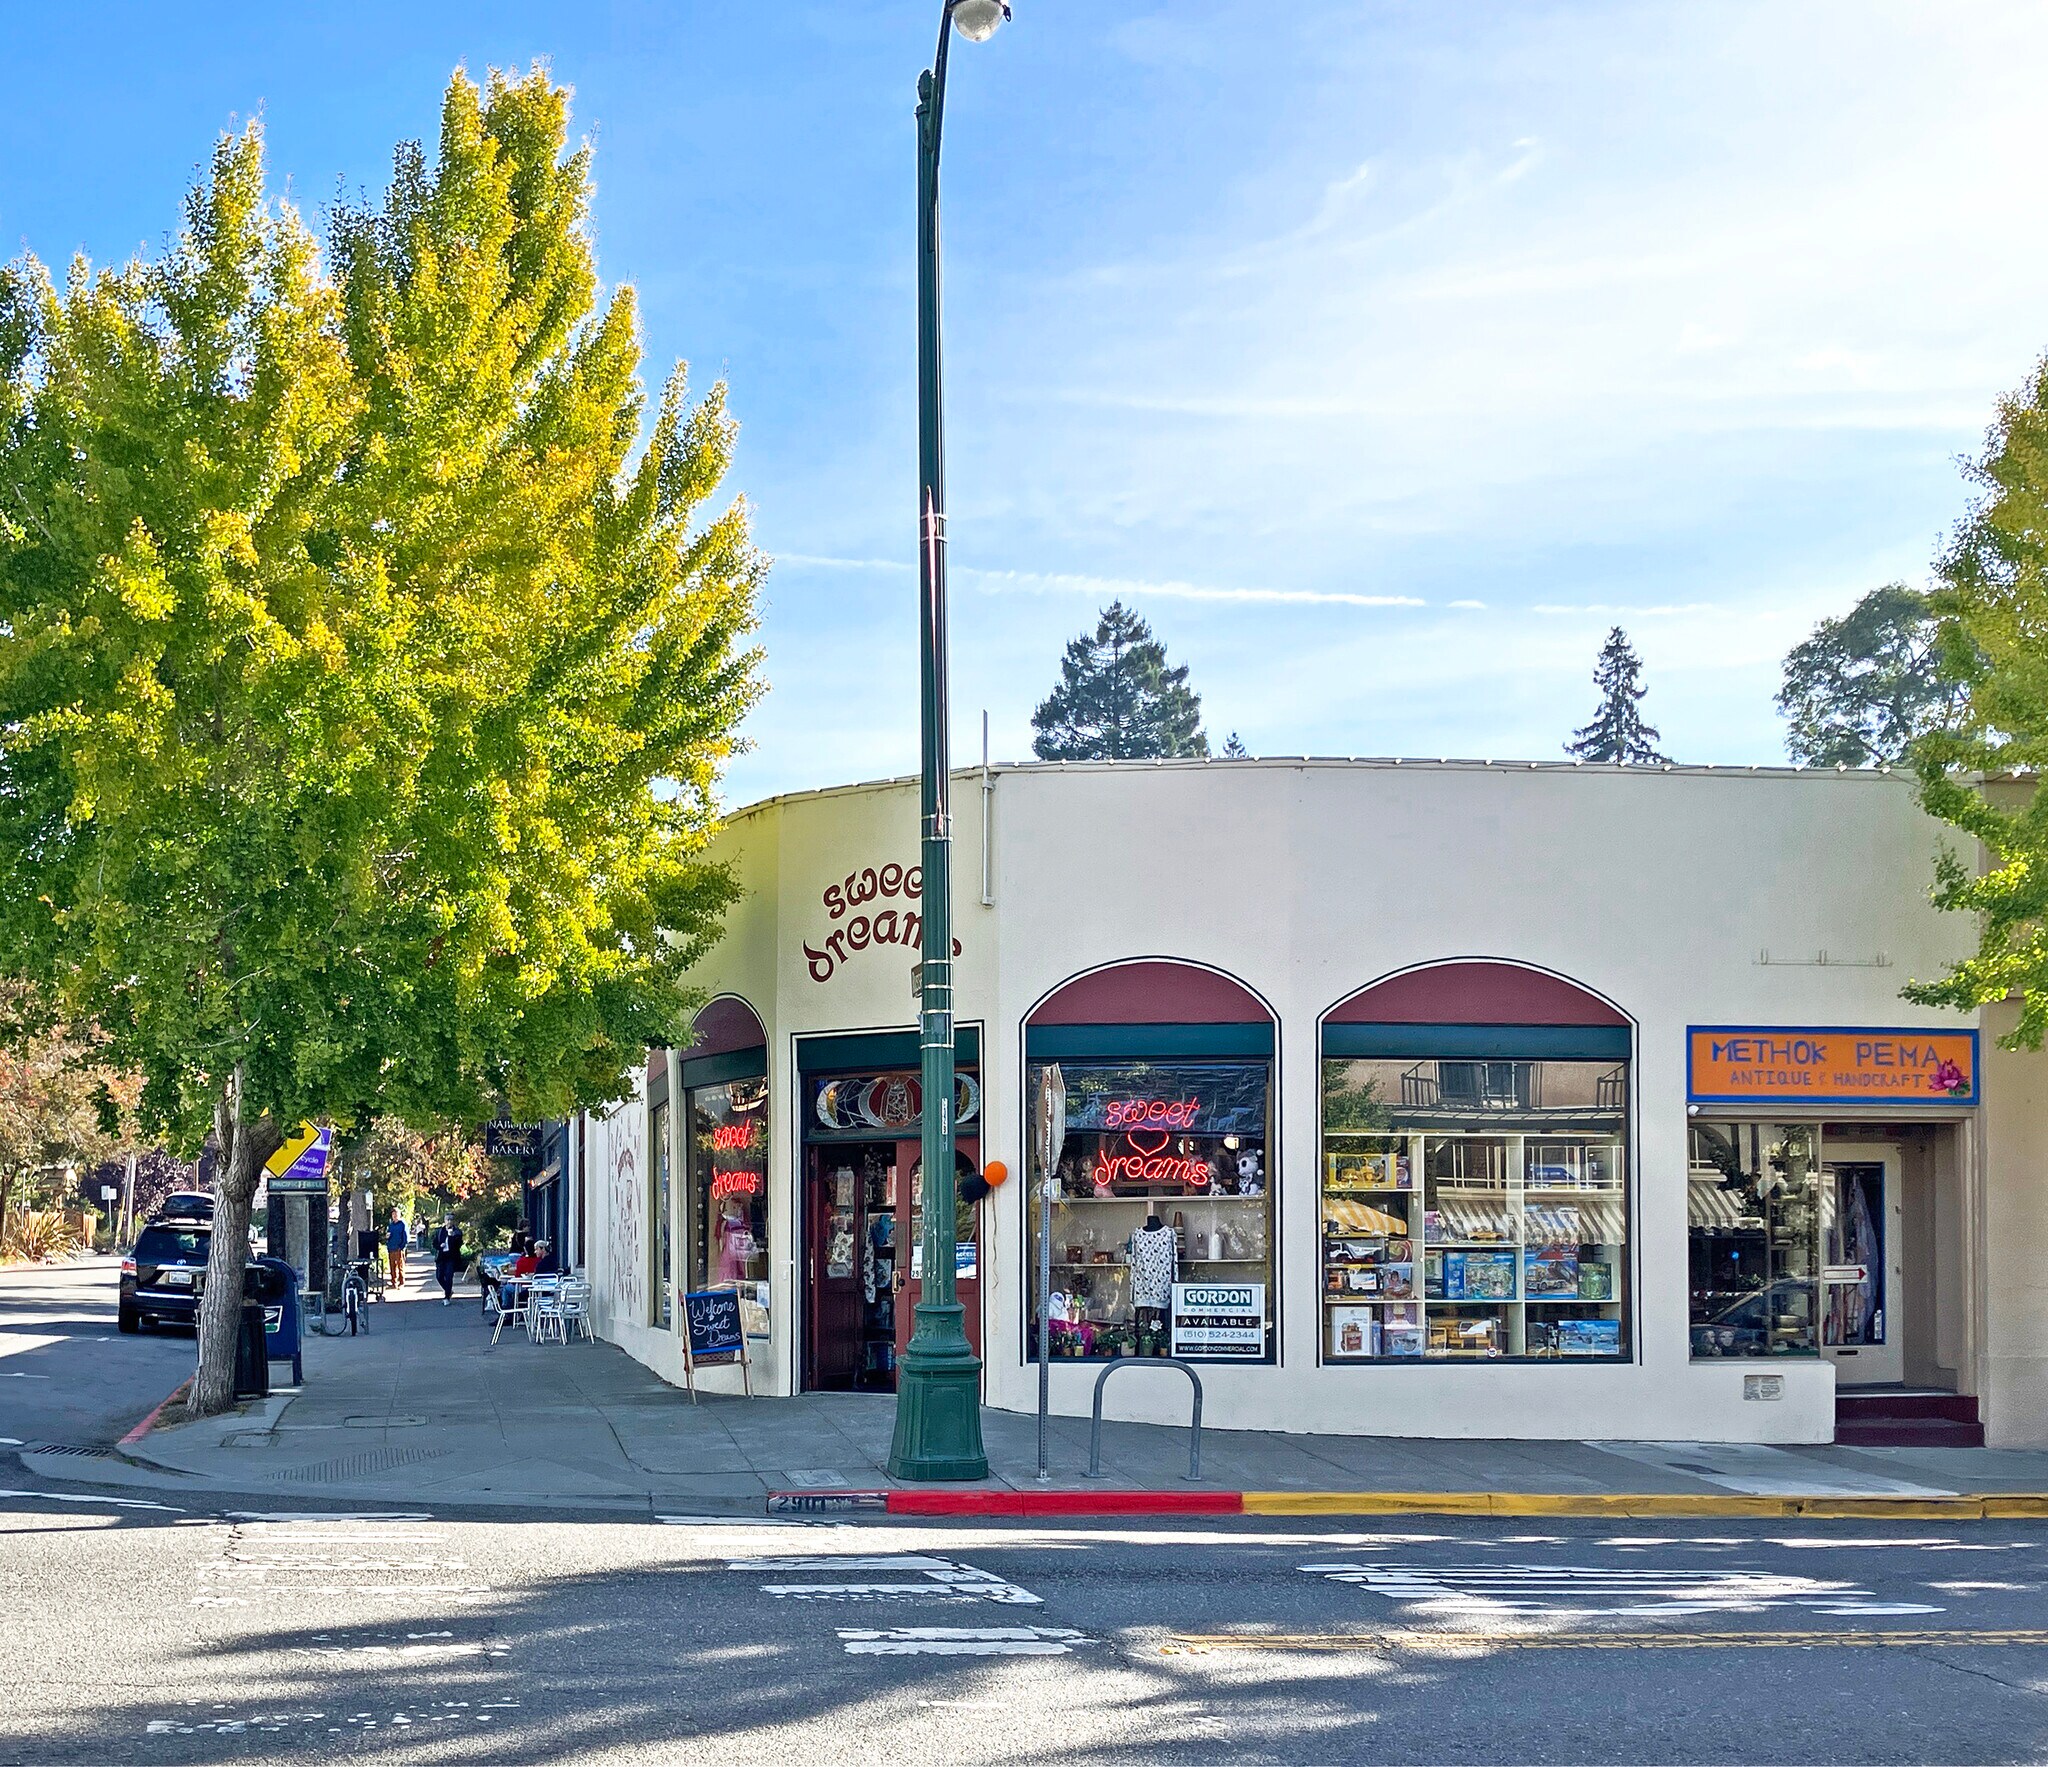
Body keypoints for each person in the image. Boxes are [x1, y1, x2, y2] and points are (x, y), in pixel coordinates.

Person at [431, 1214, 464, 1306]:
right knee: (439, 1276)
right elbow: (434, 1243)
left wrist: (452, 1236)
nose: (449, 1221)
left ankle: (447, 1297)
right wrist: (439, 1246)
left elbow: (459, 1244)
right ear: (444, 1221)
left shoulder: (457, 1232)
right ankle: (448, 1290)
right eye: (447, 1219)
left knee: (449, 1276)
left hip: (451, 1257)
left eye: (451, 1220)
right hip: (441, 1257)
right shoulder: (440, 1231)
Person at [384, 1206, 410, 1289]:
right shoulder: (391, 1225)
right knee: (392, 1266)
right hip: (391, 1248)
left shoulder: (402, 1224)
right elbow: (388, 1235)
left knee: (400, 1266)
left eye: (396, 1214)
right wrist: (387, 1238)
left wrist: (402, 1247)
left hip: (399, 1248)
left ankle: (401, 1282)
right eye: (393, 1214)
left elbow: (406, 1237)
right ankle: (393, 1282)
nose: (394, 1216)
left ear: (399, 1215)